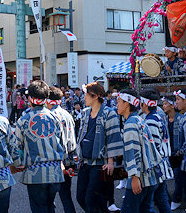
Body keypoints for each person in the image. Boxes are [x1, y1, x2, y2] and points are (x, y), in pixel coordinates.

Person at [14, 80, 64, 213]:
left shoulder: (23, 120)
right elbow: (62, 143)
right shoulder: (55, 117)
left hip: (35, 173)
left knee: (39, 208)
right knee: (50, 206)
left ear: (30, 98)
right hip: (55, 171)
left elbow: (17, 147)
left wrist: (17, 164)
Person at [76, 81, 123, 213]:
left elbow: (113, 137)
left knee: (91, 199)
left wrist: (110, 162)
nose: (84, 98)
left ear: (95, 96)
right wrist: (79, 155)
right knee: (81, 197)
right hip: (85, 161)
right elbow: (81, 135)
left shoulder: (109, 113)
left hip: (100, 163)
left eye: (86, 95)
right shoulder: (85, 113)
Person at [116, 89, 163, 213]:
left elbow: (133, 152)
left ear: (127, 103)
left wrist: (134, 177)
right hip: (149, 176)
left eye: (119, 101)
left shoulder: (131, 123)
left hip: (139, 177)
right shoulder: (139, 119)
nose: (117, 104)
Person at [140, 88, 174, 213]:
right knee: (161, 198)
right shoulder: (158, 116)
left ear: (145, 104)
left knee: (148, 202)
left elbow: (153, 147)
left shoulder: (150, 120)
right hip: (161, 164)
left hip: (155, 166)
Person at [46, 87, 77, 213]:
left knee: (49, 199)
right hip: (69, 159)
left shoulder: (49, 116)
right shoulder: (67, 114)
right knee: (66, 196)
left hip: (55, 162)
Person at [162, 96, 184, 211]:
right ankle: (166, 199)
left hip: (178, 153)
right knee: (162, 177)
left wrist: (181, 149)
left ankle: (176, 199)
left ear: (172, 105)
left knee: (178, 177)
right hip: (167, 152)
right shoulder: (164, 120)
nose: (163, 106)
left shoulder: (181, 119)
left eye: (165, 104)